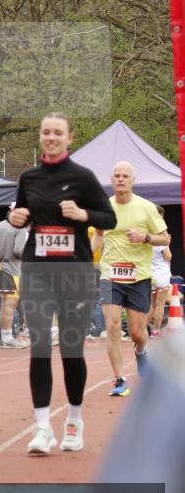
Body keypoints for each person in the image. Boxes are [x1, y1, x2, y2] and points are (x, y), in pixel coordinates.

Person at [10, 113, 116, 454]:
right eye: (46, 132)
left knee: (71, 349)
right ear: (40, 137)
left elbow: (109, 219)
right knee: (39, 347)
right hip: (38, 270)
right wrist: (16, 217)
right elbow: (22, 213)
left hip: (75, 272)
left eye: (58, 132)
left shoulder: (83, 178)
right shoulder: (29, 177)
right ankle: (42, 428)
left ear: (69, 138)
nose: (51, 137)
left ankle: (74, 418)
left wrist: (84, 215)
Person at [91, 161, 169, 397]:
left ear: (133, 180)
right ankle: (119, 379)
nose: (121, 179)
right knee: (113, 325)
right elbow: (99, 234)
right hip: (110, 275)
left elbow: (165, 239)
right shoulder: (104, 207)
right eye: (117, 175)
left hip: (139, 277)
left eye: (125, 175)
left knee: (137, 331)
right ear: (112, 180)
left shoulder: (146, 208)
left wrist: (145, 237)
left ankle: (141, 350)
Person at [0, 203, 29, 349]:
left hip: (2, 268)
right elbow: (19, 250)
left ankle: (6, 337)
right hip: (13, 269)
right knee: (10, 305)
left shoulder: (0, 225)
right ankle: (7, 338)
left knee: (5, 305)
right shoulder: (21, 228)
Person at [149, 208, 172, 336]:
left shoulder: (147, 234)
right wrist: (168, 243)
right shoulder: (160, 235)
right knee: (160, 305)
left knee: (152, 305)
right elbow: (168, 256)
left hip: (151, 273)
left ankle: (142, 329)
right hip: (161, 274)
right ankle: (156, 330)